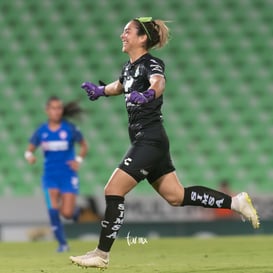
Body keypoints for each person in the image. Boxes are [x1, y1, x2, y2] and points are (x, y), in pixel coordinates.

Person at [69, 17, 259, 268]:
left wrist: (149, 93)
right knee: (176, 196)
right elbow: (120, 85)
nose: (122, 35)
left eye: (127, 31)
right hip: (147, 139)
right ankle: (235, 202)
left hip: (150, 139)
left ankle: (101, 254)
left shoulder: (152, 63)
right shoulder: (129, 67)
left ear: (142, 38)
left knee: (113, 190)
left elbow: (159, 83)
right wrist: (101, 91)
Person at [25, 96, 88, 252]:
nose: (56, 111)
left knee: (66, 214)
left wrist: (78, 160)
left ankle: (75, 212)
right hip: (50, 175)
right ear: (47, 110)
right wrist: (30, 157)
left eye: (59, 108)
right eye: (53, 108)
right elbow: (29, 150)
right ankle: (62, 244)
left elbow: (84, 146)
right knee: (53, 210)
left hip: (68, 174)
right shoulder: (41, 131)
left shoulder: (70, 129)